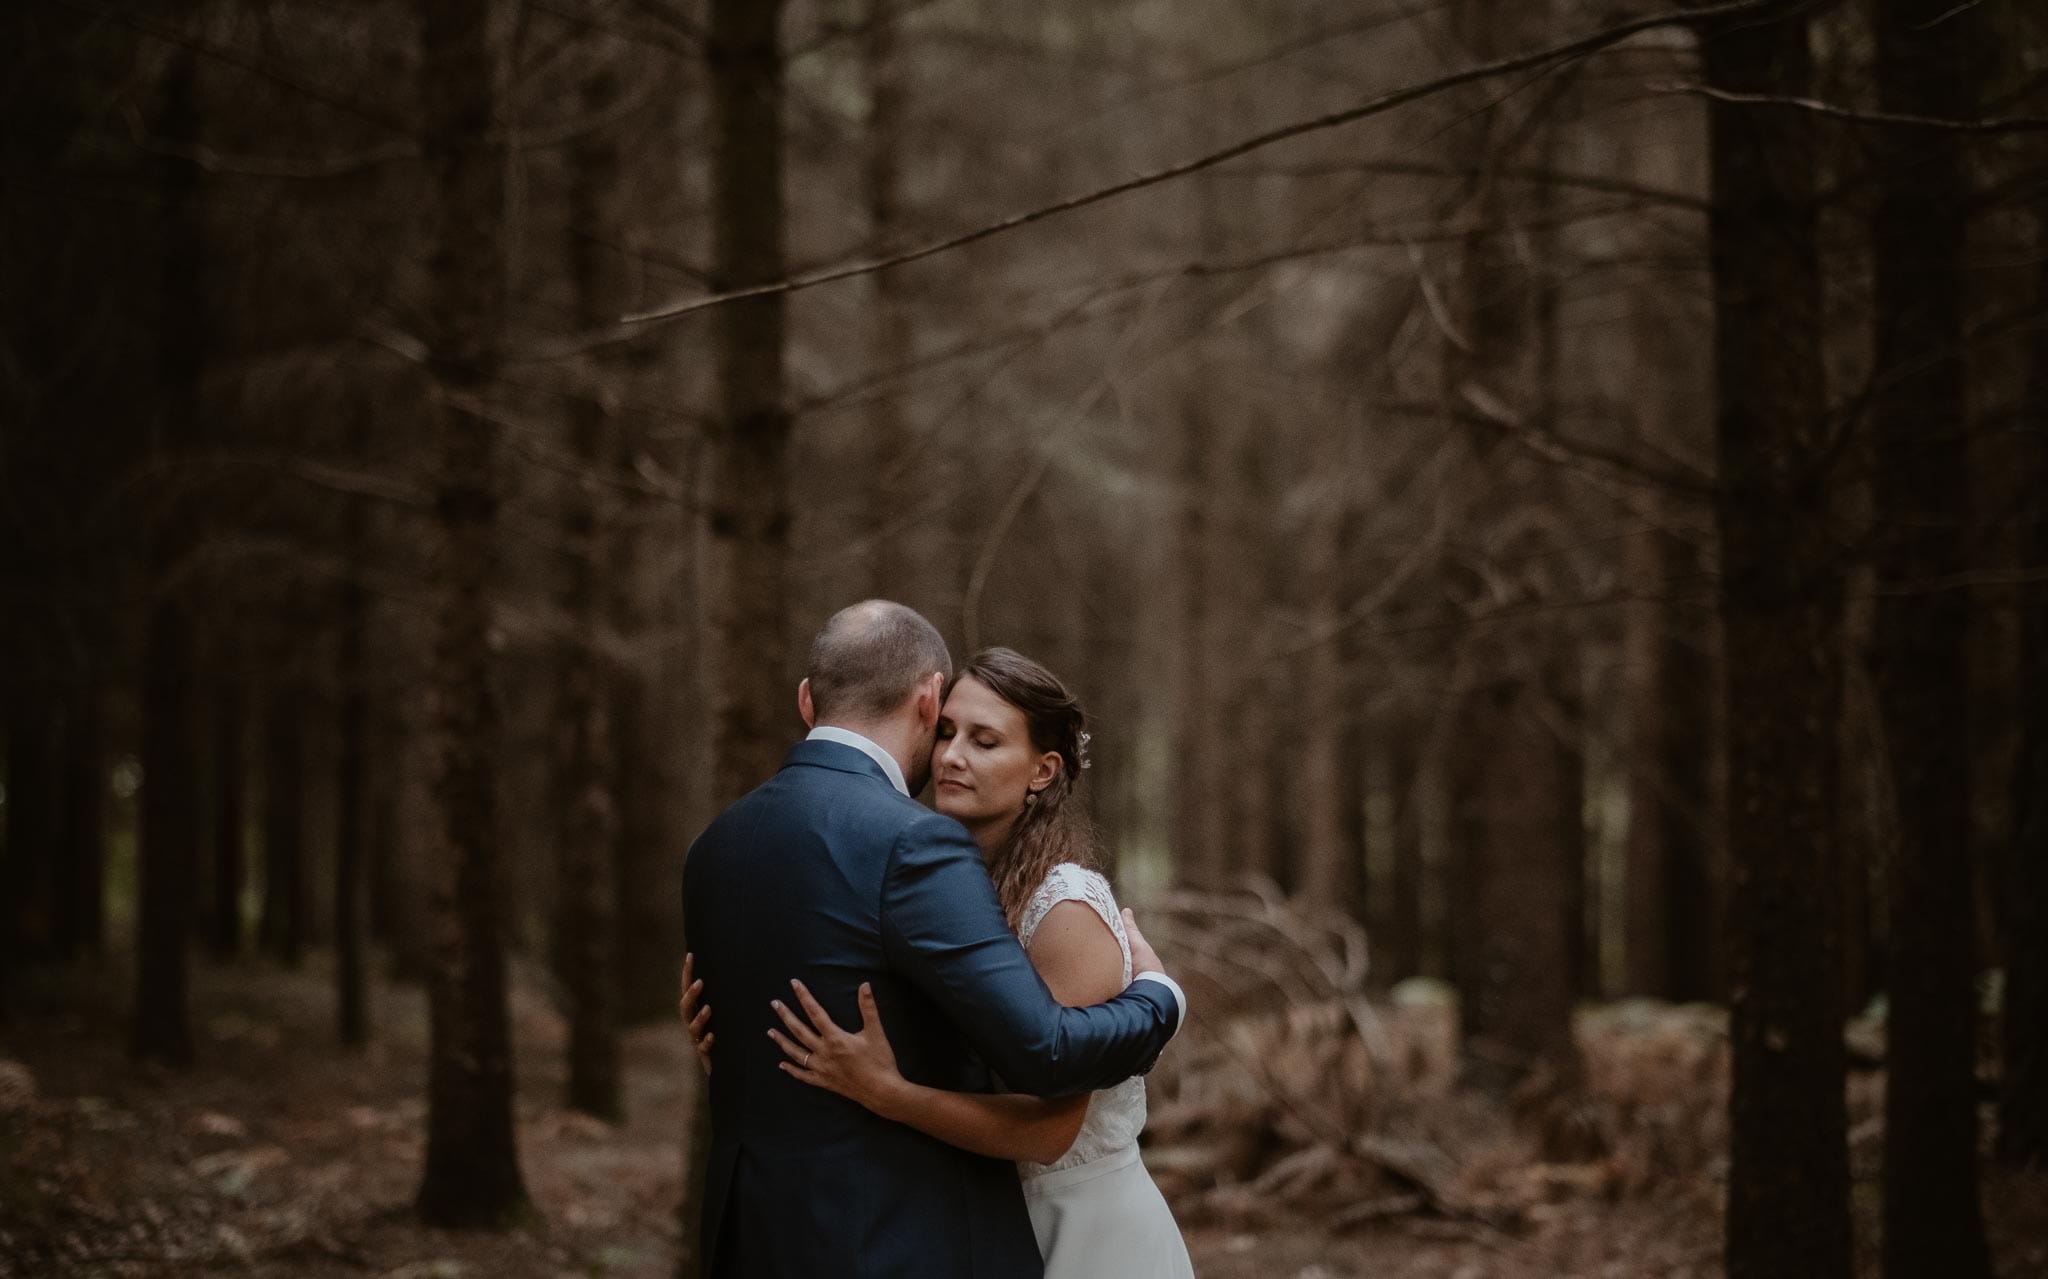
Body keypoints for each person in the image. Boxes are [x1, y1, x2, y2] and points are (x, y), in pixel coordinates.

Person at [680, 602, 1187, 1279]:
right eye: (946, 729)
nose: (949, 755)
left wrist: (1162, 993)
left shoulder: (718, 843)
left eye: (984, 739)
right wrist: (1158, 1000)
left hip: (1078, 1230)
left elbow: (1048, 1110)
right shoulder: (918, 860)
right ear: (927, 701)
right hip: (906, 1229)